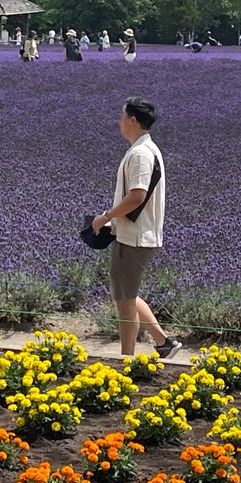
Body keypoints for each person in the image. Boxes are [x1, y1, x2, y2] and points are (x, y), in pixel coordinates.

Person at [90, 98, 181, 358]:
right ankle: (163, 343)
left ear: (132, 120)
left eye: (122, 117)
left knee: (124, 301)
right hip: (136, 234)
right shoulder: (146, 149)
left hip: (135, 238)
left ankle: (126, 360)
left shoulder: (141, 154)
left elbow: (137, 197)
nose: (118, 122)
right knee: (125, 293)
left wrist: (105, 217)